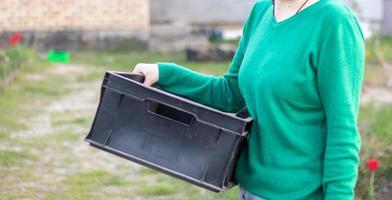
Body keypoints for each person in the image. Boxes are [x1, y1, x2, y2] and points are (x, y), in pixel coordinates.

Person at [132, 0, 365, 199]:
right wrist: (165, 73)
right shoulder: (261, 11)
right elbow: (230, 92)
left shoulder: (335, 22)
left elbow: (342, 130)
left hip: (299, 193)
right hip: (250, 189)